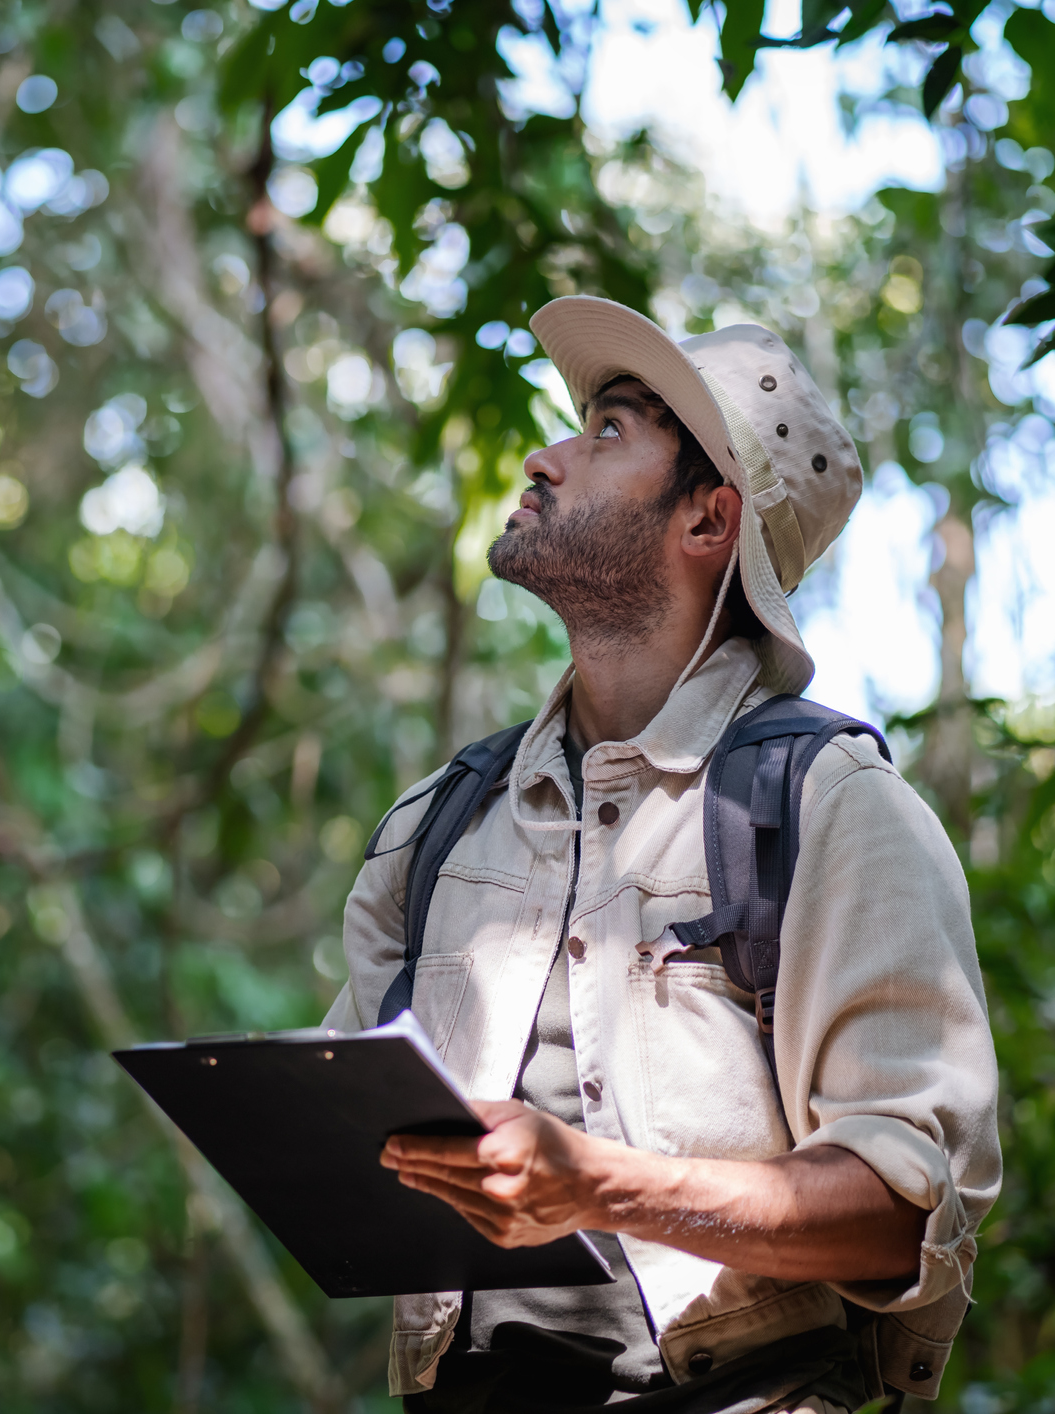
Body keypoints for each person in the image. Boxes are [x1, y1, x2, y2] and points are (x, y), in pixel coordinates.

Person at [321, 297, 1001, 1413]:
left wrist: (599, 1187)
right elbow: (357, 1146)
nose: (544, 458)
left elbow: (899, 1209)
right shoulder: (439, 825)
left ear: (707, 520)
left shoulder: (831, 807)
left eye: (608, 433)